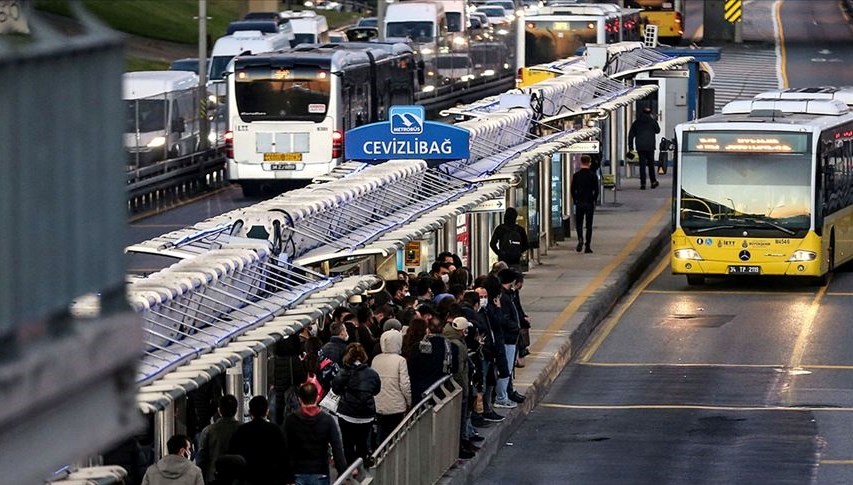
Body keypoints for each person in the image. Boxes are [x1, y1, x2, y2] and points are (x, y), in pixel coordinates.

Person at [283, 381, 348, 485]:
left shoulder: (291, 420)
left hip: (297, 473)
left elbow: (284, 449)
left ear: (300, 399)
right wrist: (343, 473)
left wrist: (286, 476)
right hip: (320, 472)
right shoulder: (327, 420)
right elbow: (337, 449)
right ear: (317, 398)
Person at [332, 342, 382, 466]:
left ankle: (350, 470)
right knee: (363, 443)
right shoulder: (372, 374)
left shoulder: (344, 372)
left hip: (347, 413)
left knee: (347, 443)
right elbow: (376, 390)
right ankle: (362, 467)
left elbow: (335, 389)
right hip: (366, 414)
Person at [227, 396, 288, 485]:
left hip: (248, 478)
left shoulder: (241, 431)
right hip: (272, 478)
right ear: (267, 411)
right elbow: (283, 456)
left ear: (250, 412)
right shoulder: (276, 430)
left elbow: (233, 454)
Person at [371, 328, 412, 442]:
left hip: (378, 404)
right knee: (395, 435)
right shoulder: (400, 361)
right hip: (396, 405)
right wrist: (409, 401)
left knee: (381, 432)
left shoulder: (376, 359)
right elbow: (405, 384)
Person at [195, 395, 240, 484]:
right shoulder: (242, 429)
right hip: (237, 478)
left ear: (219, 410)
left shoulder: (208, 430)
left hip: (214, 477)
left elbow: (201, 459)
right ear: (236, 410)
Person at [571, 154, 600, 254]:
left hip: (579, 202)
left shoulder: (576, 176)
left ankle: (580, 239)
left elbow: (572, 190)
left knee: (579, 224)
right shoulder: (593, 175)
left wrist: (575, 200)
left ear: (581, 162)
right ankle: (587, 245)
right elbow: (596, 190)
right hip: (589, 203)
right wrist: (594, 200)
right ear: (589, 162)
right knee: (588, 225)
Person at [628, 106, 661, 190]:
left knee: (642, 165)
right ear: (650, 113)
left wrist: (631, 147)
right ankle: (653, 182)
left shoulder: (637, 122)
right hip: (650, 146)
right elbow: (658, 131)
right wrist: (654, 120)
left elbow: (631, 135)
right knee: (651, 165)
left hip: (640, 146)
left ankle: (643, 184)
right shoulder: (652, 121)